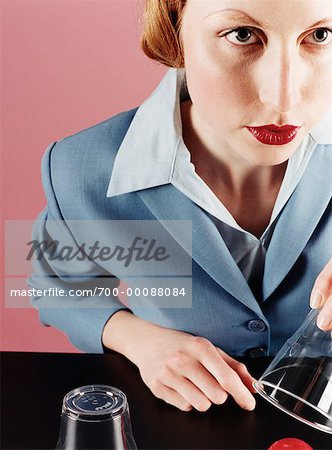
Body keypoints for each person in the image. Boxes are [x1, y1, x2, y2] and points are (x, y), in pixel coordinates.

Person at [29, 0, 332, 413]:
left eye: (320, 35)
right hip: (180, 422)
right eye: (242, 35)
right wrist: (138, 340)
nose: (283, 96)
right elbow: (53, 287)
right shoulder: (83, 167)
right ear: (175, 32)